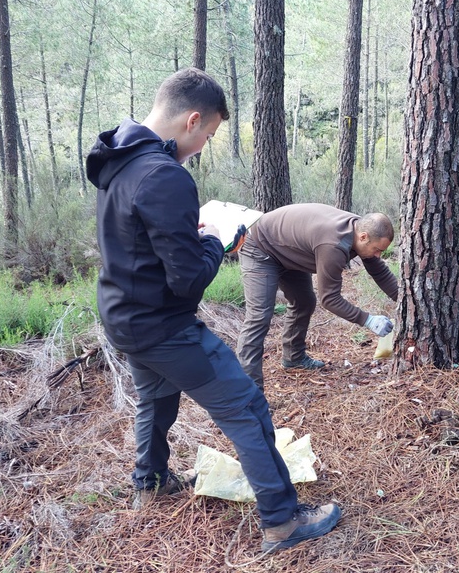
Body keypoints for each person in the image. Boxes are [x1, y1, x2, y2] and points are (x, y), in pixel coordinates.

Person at [86, 67, 340, 553]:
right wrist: (216, 242)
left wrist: (188, 239)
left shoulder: (119, 157)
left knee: (157, 400)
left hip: (122, 315)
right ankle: (282, 521)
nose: (204, 144)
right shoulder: (165, 176)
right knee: (245, 406)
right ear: (193, 120)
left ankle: (150, 482)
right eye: (209, 134)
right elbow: (187, 281)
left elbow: (142, 247)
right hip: (163, 327)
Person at [236, 203, 398, 390]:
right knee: (259, 317)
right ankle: (248, 396)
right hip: (259, 247)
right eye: (377, 250)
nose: (378, 255)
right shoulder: (333, 245)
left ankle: (293, 358)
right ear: (363, 237)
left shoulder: (360, 229)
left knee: (304, 302)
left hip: (286, 250)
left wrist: (406, 301)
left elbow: (380, 273)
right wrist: (368, 320)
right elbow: (329, 299)